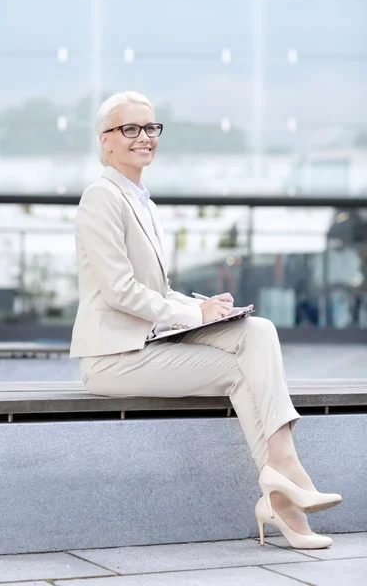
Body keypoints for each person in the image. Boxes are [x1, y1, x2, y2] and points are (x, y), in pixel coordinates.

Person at [70, 91, 342, 550]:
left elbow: (156, 291)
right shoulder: (102, 197)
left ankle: (284, 485)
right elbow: (120, 292)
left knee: (258, 331)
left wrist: (203, 304)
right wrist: (193, 314)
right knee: (245, 369)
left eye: (151, 127)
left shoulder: (141, 201)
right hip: (113, 357)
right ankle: (285, 487)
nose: (144, 137)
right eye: (130, 129)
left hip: (148, 344)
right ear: (106, 141)